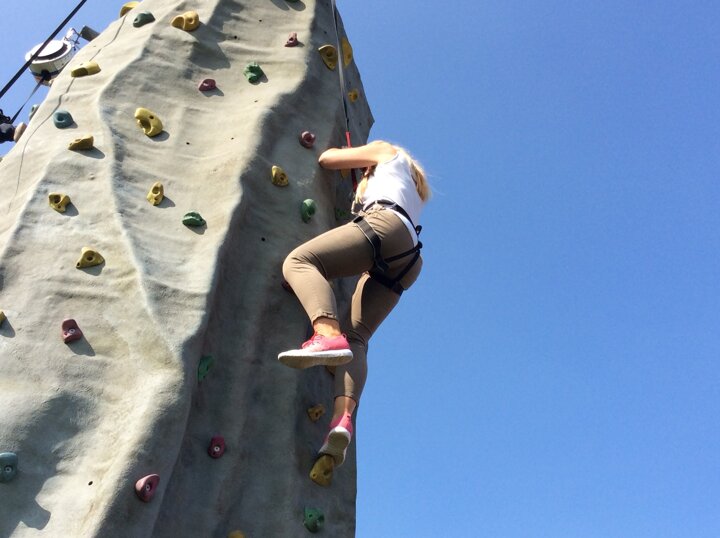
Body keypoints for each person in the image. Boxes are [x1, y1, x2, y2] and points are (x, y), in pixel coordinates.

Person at [279, 140, 431, 466]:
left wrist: (351, 160)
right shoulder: (414, 188)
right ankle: (342, 421)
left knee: (300, 262)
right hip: (409, 257)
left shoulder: (386, 150)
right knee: (357, 339)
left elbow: (327, 158)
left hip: (384, 224)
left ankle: (325, 333)